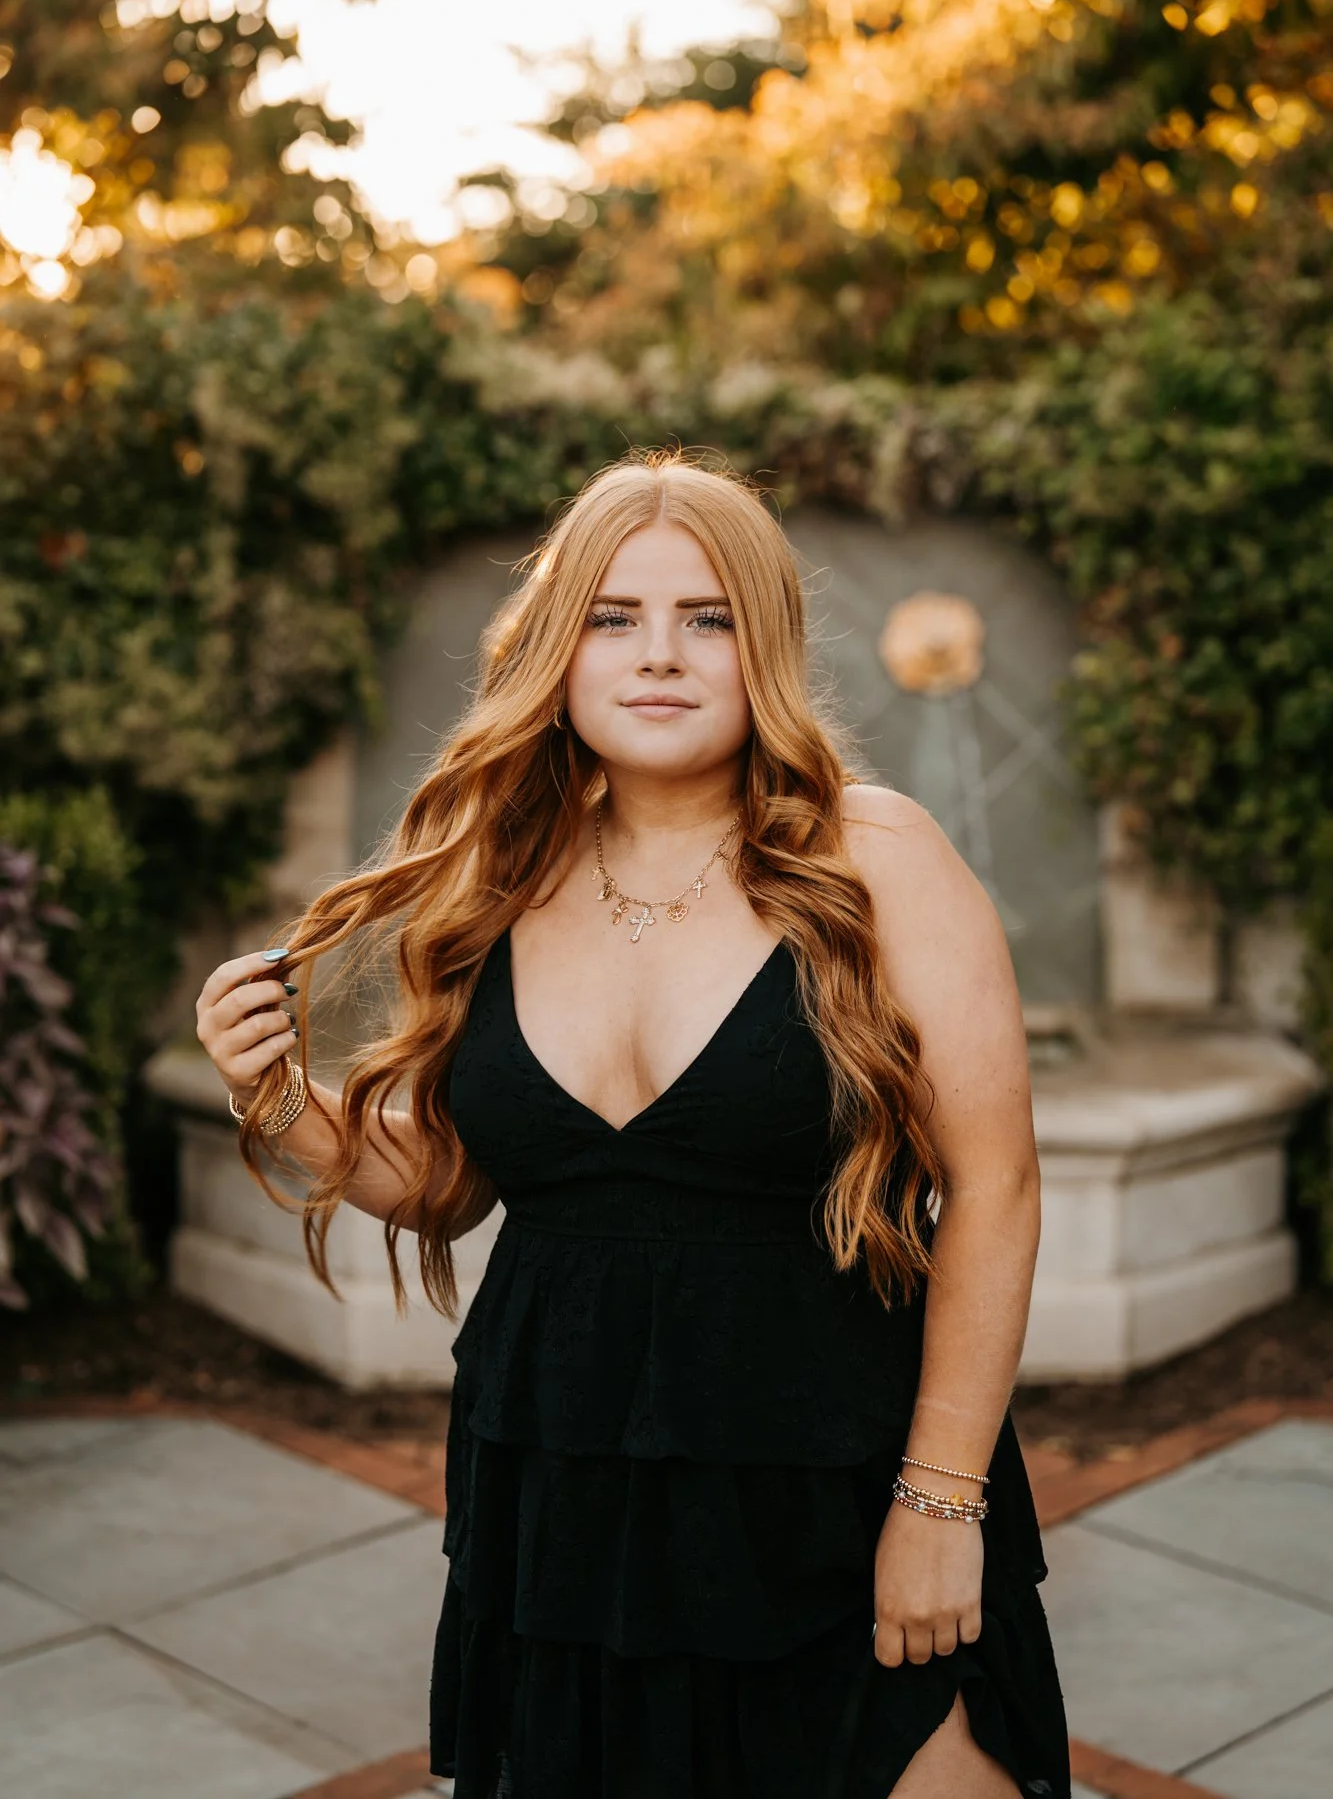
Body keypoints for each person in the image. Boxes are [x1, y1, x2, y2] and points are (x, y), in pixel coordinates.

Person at [196, 448, 1070, 1799]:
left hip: (833, 1489)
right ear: (560, 647)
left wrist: (940, 1500)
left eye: (705, 618)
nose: (659, 655)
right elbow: (447, 1184)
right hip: (563, 1498)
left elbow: (998, 1188)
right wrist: (276, 1096)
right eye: (615, 616)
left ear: (762, 647)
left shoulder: (874, 857)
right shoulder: (503, 871)